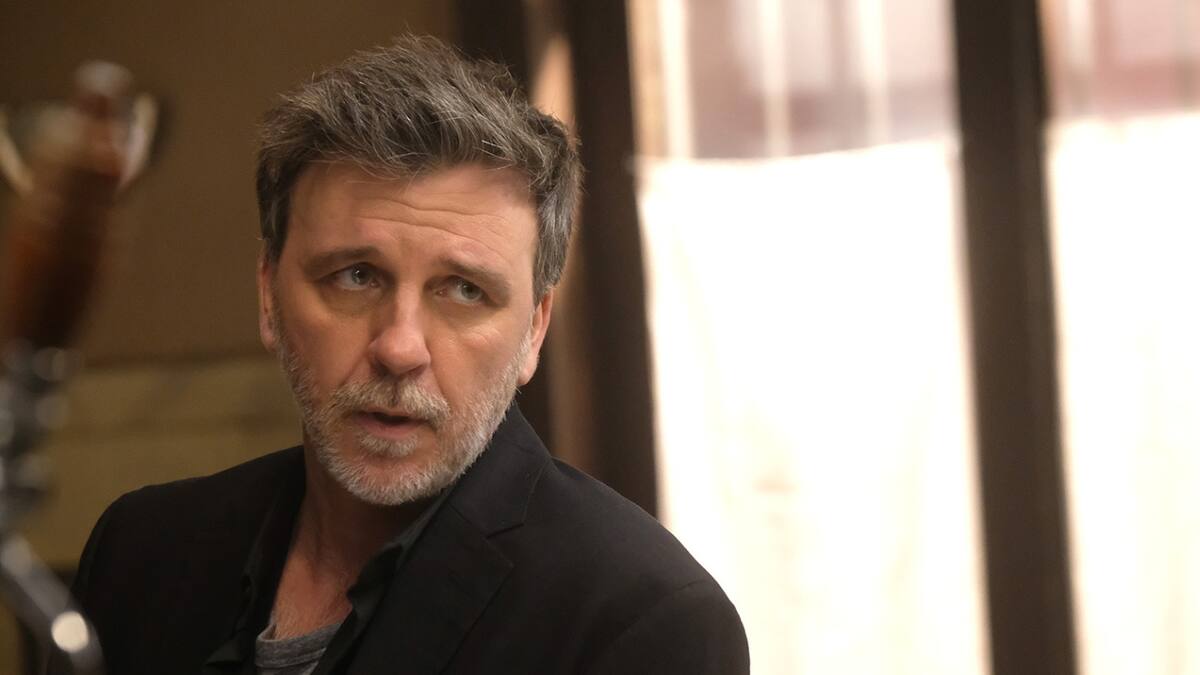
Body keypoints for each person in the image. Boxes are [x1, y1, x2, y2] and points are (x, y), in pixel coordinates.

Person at [56, 36, 749, 674]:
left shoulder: (641, 621)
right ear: (269, 295)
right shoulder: (139, 553)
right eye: (356, 276)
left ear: (535, 330)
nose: (399, 347)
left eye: (465, 290)